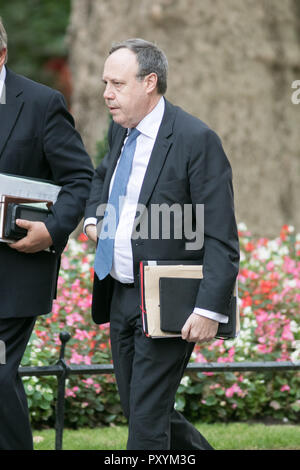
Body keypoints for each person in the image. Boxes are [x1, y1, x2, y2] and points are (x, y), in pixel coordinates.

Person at [84, 38, 239, 450]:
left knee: (146, 427)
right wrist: (92, 220)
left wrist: (209, 310)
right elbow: (101, 177)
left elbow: (221, 237)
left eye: (117, 84)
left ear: (149, 82)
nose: (106, 94)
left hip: (168, 301)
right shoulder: (122, 130)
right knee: (144, 410)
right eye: (105, 83)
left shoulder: (196, 139)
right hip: (118, 293)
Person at [0, 18, 94, 450]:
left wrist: (52, 231)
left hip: (14, 270)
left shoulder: (42, 103)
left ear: (1, 55)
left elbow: (80, 179)